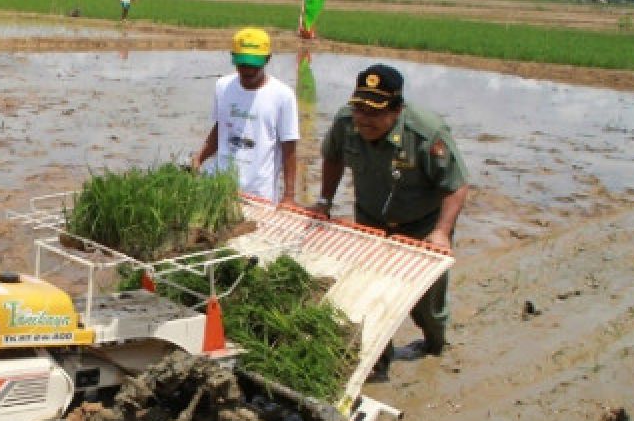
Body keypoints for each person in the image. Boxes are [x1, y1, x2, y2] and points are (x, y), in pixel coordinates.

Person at [311, 63, 469, 382]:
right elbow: (333, 157)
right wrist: (325, 201)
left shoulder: (425, 133)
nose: (363, 118)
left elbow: (455, 185)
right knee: (370, 291)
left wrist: (440, 232)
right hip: (371, 220)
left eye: (374, 111)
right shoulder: (346, 122)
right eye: (360, 108)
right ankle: (377, 360)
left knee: (426, 302)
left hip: (422, 224)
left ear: (396, 109)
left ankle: (435, 343)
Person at [191, 27, 299, 204]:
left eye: (253, 65)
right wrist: (199, 158)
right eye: (242, 64)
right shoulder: (223, 87)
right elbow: (220, 128)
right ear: (233, 58)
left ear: (267, 59)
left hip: (258, 192)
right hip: (220, 185)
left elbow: (289, 148)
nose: (247, 70)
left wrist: (288, 196)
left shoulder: (282, 96)